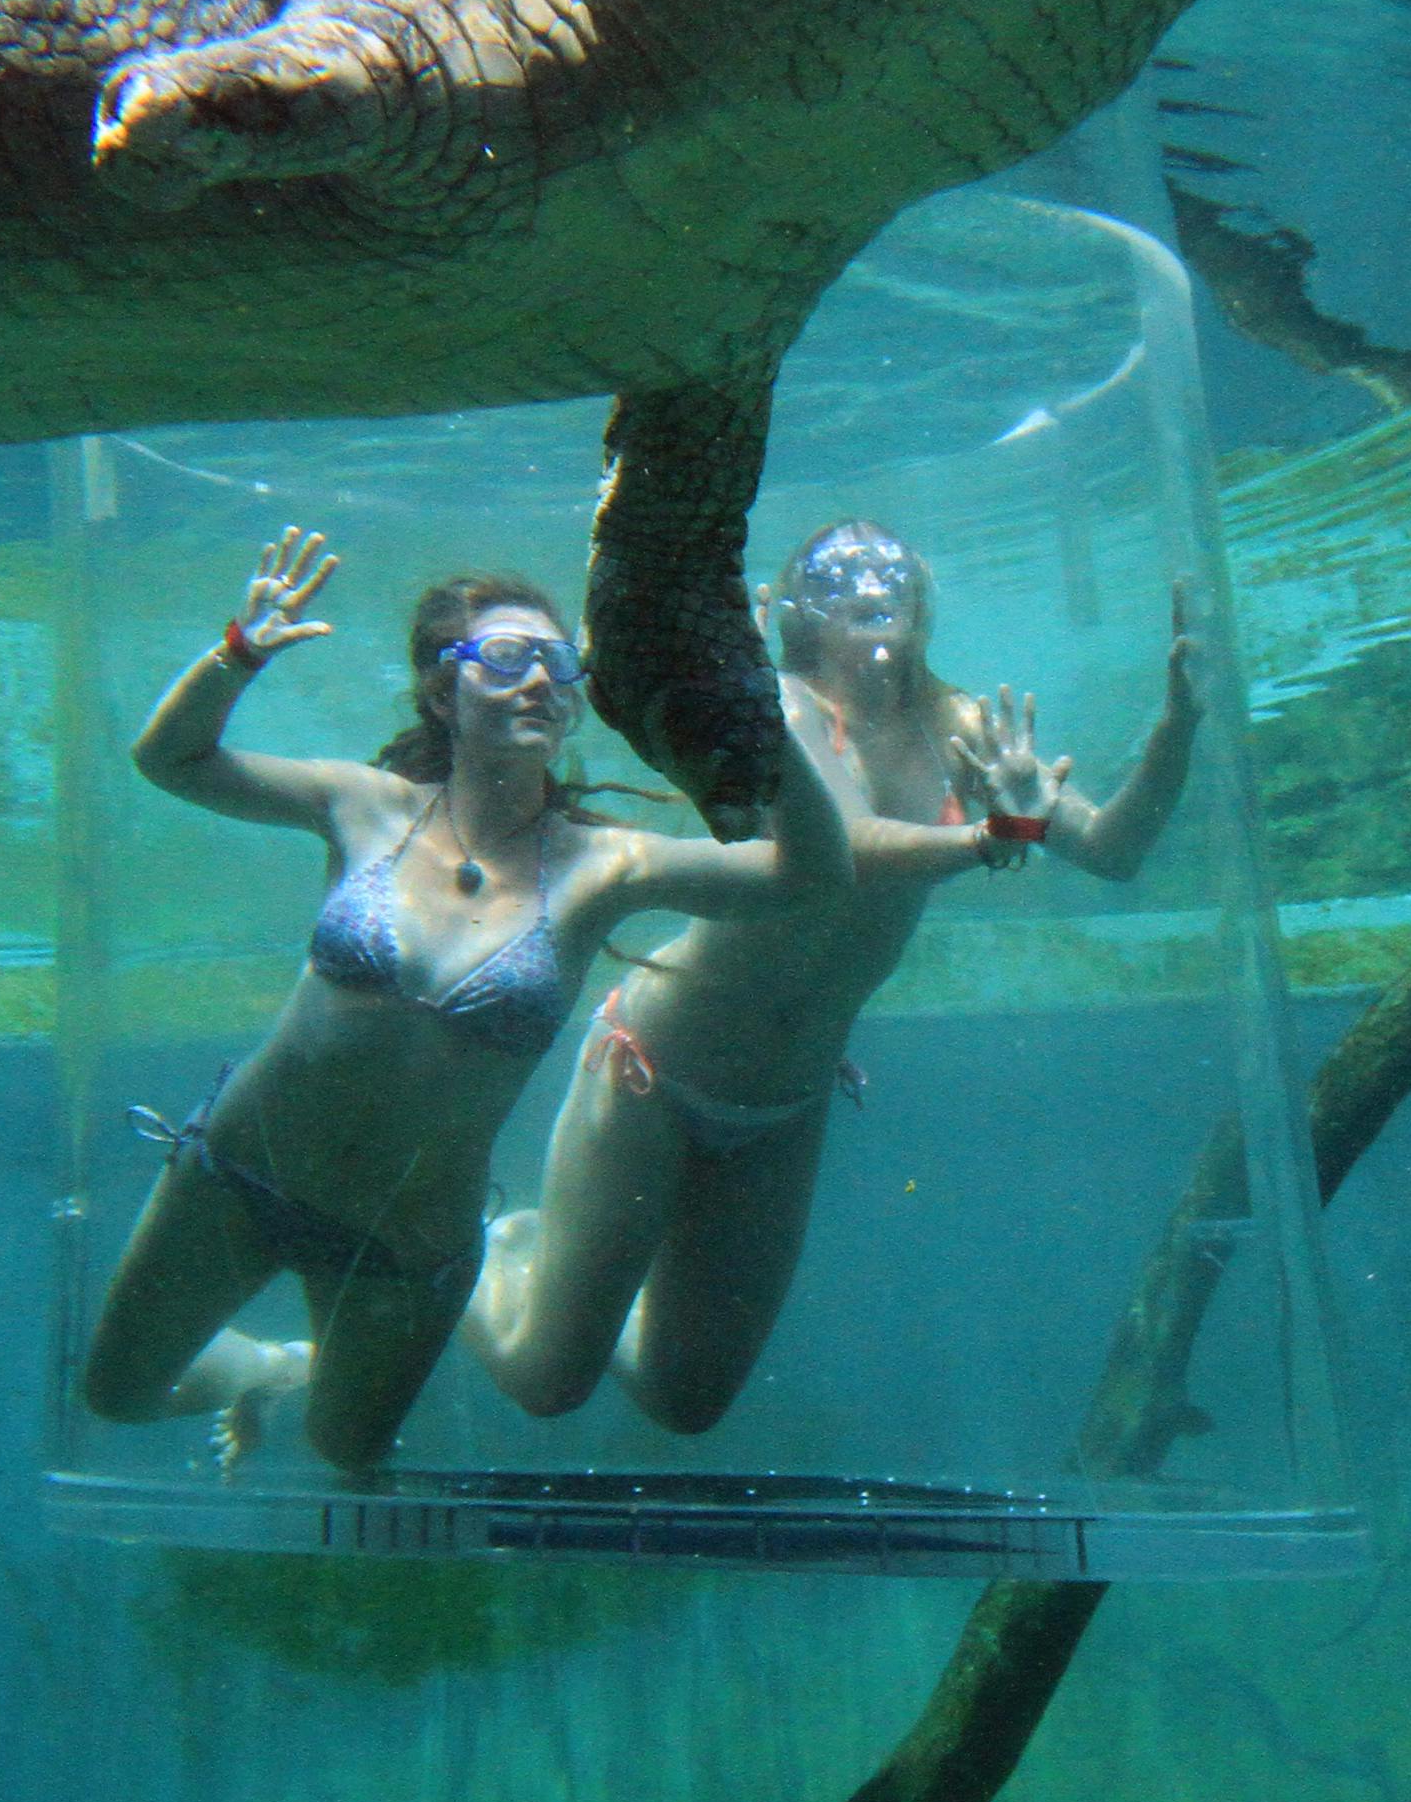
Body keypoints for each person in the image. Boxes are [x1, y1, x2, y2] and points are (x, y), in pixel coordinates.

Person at [82, 525, 855, 1478]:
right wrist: (238, 652)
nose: (540, 679)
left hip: (405, 1241)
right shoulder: (361, 803)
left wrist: (764, 725)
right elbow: (171, 759)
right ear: (443, 689)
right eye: (505, 656)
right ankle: (274, 1368)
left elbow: (813, 876)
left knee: (348, 1455)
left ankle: (317, 1379)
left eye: (556, 662)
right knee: (115, 1394)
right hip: (241, 1178)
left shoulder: (604, 865)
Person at [466, 520, 1204, 1435]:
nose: (872, 580)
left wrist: (1178, 726)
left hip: (786, 1103)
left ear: (924, 606)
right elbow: (847, 852)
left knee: (685, 1399)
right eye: (844, 579)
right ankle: (489, 1246)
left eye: (892, 574)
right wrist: (997, 835)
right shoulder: (782, 708)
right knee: (548, 1381)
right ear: (804, 615)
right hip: (651, 1067)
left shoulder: (964, 728)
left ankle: (565, 1273)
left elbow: (1116, 850)